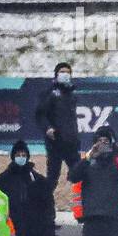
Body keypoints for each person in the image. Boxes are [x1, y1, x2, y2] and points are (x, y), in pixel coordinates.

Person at [35, 61, 81, 190]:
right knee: (53, 176)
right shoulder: (49, 93)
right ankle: (45, 204)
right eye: (62, 72)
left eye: (68, 72)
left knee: (79, 173)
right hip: (55, 141)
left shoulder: (72, 94)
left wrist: (76, 139)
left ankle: (85, 204)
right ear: (56, 75)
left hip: (71, 142)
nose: (65, 74)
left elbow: (72, 120)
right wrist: (48, 128)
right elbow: (40, 114)